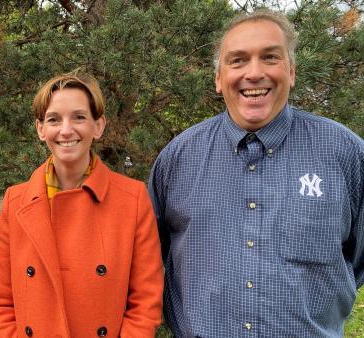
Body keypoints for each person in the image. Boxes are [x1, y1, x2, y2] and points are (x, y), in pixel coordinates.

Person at [148, 8, 364, 337]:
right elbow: (151, 261)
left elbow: (356, 263)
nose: (254, 73)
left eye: (269, 57)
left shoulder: (346, 155)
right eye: (238, 60)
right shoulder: (177, 160)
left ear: (291, 71)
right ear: (219, 78)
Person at [0, 71, 164, 337]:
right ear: (40, 129)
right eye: (54, 119)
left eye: (79, 117)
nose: (66, 130)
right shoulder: (16, 201)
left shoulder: (133, 199)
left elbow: (145, 304)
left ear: (98, 126)